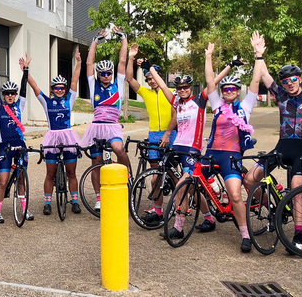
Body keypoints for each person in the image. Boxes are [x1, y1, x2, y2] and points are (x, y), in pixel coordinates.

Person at [241, 31, 302, 251]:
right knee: (250, 179)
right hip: (282, 146)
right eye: (286, 81)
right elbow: (265, 75)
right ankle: (273, 207)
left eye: (293, 79)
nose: (289, 83)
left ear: (300, 79)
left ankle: (296, 237)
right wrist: (258, 55)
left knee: (297, 187)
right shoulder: (281, 96)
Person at [202, 42, 262, 252]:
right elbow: (210, 81)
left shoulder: (245, 107)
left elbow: (255, 80)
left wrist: (258, 55)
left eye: (232, 89)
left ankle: (245, 235)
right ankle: (185, 224)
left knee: (236, 196)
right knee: (190, 181)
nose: (228, 91)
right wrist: (209, 56)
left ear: (238, 92)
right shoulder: (217, 104)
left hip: (231, 156)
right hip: (211, 153)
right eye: (225, 89)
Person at [148, 65, 209, 240]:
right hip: (177, 146)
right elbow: (163, 85)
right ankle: (209, 218)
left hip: (192, 149)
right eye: (179, 88)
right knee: (188, 188)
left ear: (191, 88)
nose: (182, 90)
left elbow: (213, 81)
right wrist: (150, 69)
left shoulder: (199, 101)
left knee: (181, 186)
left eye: (185, 88)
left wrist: (222, 63)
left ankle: (178, 227)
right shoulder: (176, 102)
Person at [23, 49, 84, 216]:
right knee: (50, 173)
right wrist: (25, 70)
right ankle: (48, 203)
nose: (59, 90)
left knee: (71, 172)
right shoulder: (46, 101)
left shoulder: (69, 99)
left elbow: (75, 80)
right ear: (52, 89)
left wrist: (78, 62)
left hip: (68, 135)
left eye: (62, 87)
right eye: (56, 88)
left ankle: (75, 201)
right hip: (52, 137)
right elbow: (34, 86)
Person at [80, 26, 131, 212]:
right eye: (103, 73)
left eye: (108, 73)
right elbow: (88, 64)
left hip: (112, 126)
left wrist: (123, 38)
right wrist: (94, 40)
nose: (106, 76)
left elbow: (123, 60)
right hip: (96, 128)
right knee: (96, 163)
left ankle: (127, 174)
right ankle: (99, 197)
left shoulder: (118, 82)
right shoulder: (94, 85)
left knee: (118, 148)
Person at [126, 44, 177, 224]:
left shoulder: (171, 92)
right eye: (148, 79)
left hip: (170, 133)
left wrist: (168, 133)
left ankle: (179, 207)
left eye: (153, 78)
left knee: (172, 172)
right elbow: (129, 78)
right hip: (154, 135)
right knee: (155, 172)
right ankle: (158, 210)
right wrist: (131, 57)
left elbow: (176, 115)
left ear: (160, 77)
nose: (151, 81)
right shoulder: (146, 93)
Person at [0, 51, 34, 224]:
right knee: (3, 181)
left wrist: (26, 70)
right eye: (7, 93)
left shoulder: (20, 105)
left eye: (12, 93)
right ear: (3, 95)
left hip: (20, 145)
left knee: (21, 178)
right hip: (5, 147)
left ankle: (24, 209)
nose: (10, 95)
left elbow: (25, 87)